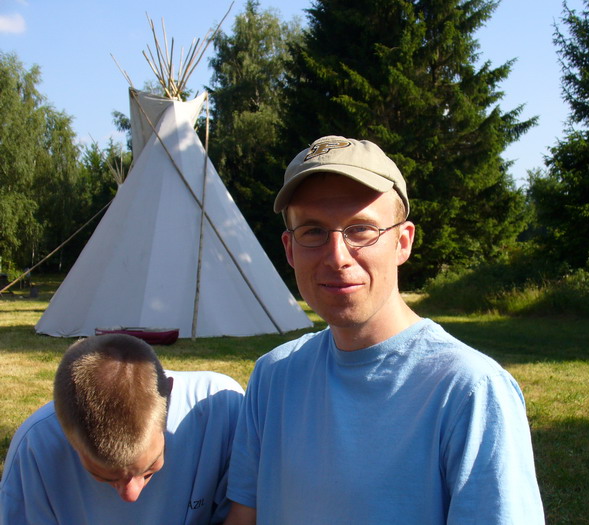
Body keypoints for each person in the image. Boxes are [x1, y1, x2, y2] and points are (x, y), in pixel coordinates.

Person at [223, 135, 545, 524]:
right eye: (313, 231)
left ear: (402, 242)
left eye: (361, 229)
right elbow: (245, 515)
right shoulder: (274, 376)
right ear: (290, 249)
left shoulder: (469, 391)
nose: (337, 257)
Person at [1, 333, 244, 525]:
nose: (131, 495)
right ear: (62, 431)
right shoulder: (35, 445)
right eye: (106, 477)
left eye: (148, 469)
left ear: (167, 398)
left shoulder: (219, 407)